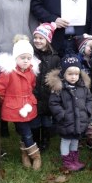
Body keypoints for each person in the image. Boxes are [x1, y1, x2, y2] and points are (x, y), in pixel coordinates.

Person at [0, 35, 41, 170]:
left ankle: (24, 154)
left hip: (28, 105)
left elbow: (32, 85)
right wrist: (7, 99)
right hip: (15, 108)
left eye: (28, 58)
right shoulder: (9, 73)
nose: (26, 61)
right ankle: (35, 156)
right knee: (26, 132)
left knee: (25, 130)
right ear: (15, 58)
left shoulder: (31, 71)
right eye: (22, 58)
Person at [47, 54, 92, 171]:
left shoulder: (83, 87)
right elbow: (53, 103)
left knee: (75, 140)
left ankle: (74, 159)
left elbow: (89, 100)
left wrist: (87, 111)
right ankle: (67, 161)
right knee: (66, 140)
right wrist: (62, 115)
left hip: (79, 121)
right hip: (66, 121)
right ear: (63, 74)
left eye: (76, 74)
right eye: (70, 74)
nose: (73, 77)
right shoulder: (59, 88)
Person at [31, 22, 60, 152]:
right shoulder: (31, 54)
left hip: (48, 94)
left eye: (41, 38)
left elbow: (58, 74)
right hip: (34, 93)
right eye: (35, 38)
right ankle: (36, 140)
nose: (37, 41)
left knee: (47, 120)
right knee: (35, 120)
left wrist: (55, 87)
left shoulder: (55, 57)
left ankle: (45, 140)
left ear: (47, 40)